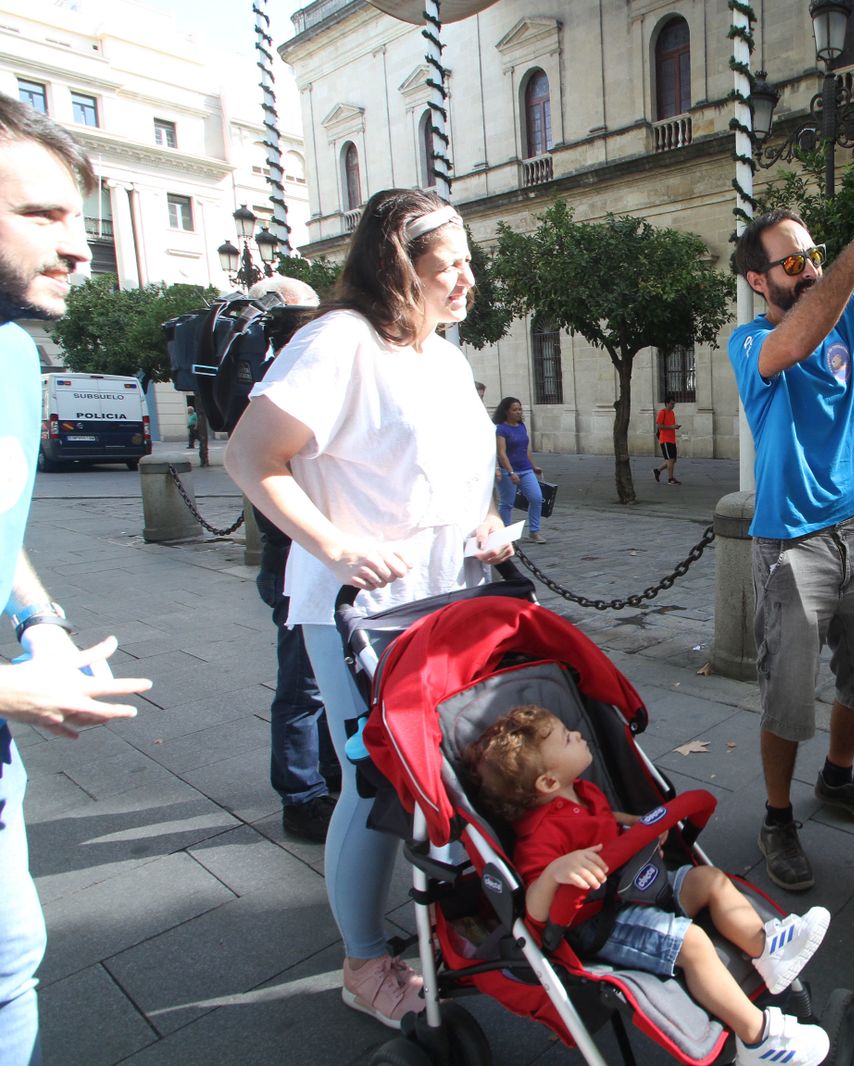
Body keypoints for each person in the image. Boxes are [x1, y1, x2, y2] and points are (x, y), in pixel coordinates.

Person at [225, 188, 514, 1029]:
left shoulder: (444, 356)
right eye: (446, 265)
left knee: (446, 767)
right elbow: (252, 456)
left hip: (446, 594)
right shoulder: (338, 341)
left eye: (468, 261)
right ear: (398, 265)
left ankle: (445, 917)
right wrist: (335, 545)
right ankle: (362, 961)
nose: (466, 279)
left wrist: (487, 521)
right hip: (357, 608)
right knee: (377, 779)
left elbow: (468, 464)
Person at [726, 168, 854, 893]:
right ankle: (777, 816)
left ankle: (838, 779)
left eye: (813, 254)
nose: (810, 267)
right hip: (788, 544)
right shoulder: (750, 343)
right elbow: (798, 337)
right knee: (787, 692)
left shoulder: (846, 313)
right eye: (792, 260)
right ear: (759, 280)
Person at [0, 94, 152, 1066]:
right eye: (41, 216)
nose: (81, 247)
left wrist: (39, 625)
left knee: (14, 963)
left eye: (78, 218)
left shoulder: (16, 357)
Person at [465, 705, 832, 1066]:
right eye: (567, 738)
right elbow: (533, 909)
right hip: (598, 924)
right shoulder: (539, 836)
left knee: (709, 879)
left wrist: (637, 825)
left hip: (634, 885)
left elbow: (606, 819)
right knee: (693, 944)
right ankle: (759, 1040)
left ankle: (767, 949)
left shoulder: (581, 791)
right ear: (547, 781)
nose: (577, 734)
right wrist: (554, 873)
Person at [244, 276, 341, 843]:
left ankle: (329, 777)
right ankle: (301, 796)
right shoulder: (280, 387)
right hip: (295, 565)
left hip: (313, 564)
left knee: (330, 681)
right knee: (303, 686)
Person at [492, 396, 545, 543]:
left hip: (525, 469)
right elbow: (502, 453)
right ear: (506, 411)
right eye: (514, 409)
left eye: (520, 409)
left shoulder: (521, 426)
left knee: (536, 498)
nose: (518, 412)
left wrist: (534, 466)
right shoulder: (501, 429)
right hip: (508, 471)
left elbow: (525, 449)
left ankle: (534, 531)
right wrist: (511, 472)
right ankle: (504, 534)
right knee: (507, 503)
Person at [653, 398, 681, 484]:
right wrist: (672, 427)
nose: (673, 406)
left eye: (674, 404)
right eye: (672, 404)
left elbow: (670, 425)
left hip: (672, 439)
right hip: (665, 439)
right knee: (670, 460)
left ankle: (658, 470)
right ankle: (670, 479)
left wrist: (675, 426)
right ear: (666, 403)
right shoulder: (662, 412)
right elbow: (659, 426)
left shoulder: (672, 413)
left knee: (673, 460)